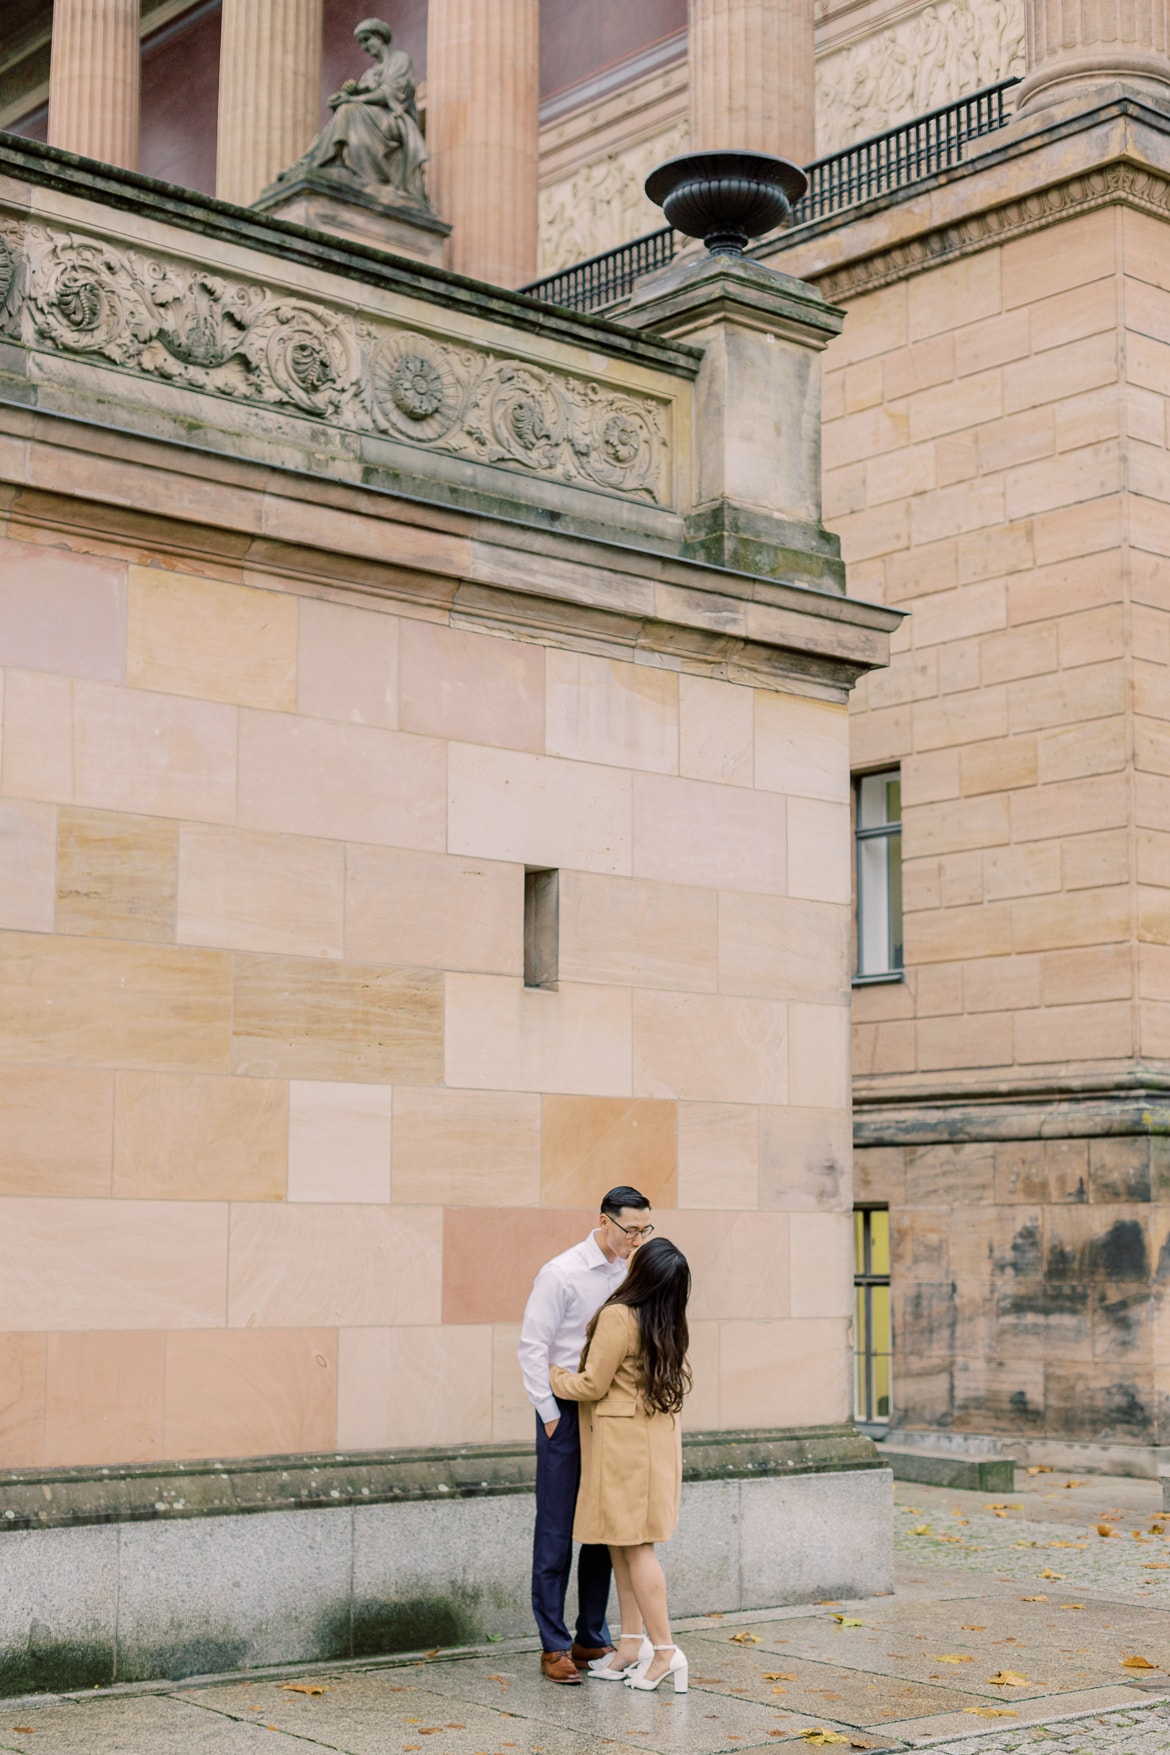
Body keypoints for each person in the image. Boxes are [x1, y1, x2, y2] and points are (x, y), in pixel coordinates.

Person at [517, 1187, 654, 1685]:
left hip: (611, 1412)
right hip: (565, 1409)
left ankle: (590, 1635)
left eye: (645, 1230)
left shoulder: (635, 1269)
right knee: (555, 1527)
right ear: (603, 1221)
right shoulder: (561, 1273)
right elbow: (532, 1348)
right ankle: (553, 1644)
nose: (637, 1240)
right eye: (630, 1230)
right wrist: (551, 1416)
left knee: (603, 1524)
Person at [550, 1237, 692, 1693]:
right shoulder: (666, 1318)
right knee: (619, 1541)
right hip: (651, 1441)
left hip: (624, 1445)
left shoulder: (618, 1316)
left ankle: (664, 1651)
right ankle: (631, 1643)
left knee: (635, 1547)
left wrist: (554, 1376)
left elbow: (592, 1384)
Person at [283, 19, 429, 206]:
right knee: (345, 110)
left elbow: (390, 93)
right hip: (372, 120)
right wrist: (348, 94)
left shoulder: (400, 59)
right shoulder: (369, 73)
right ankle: (312, 159)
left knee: (349, 110)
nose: (364, 47)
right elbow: (365, 91)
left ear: (379, 37)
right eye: (361, 43)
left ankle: (316, 159)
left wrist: (352, 99)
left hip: (394, 121)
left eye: (367, 40)